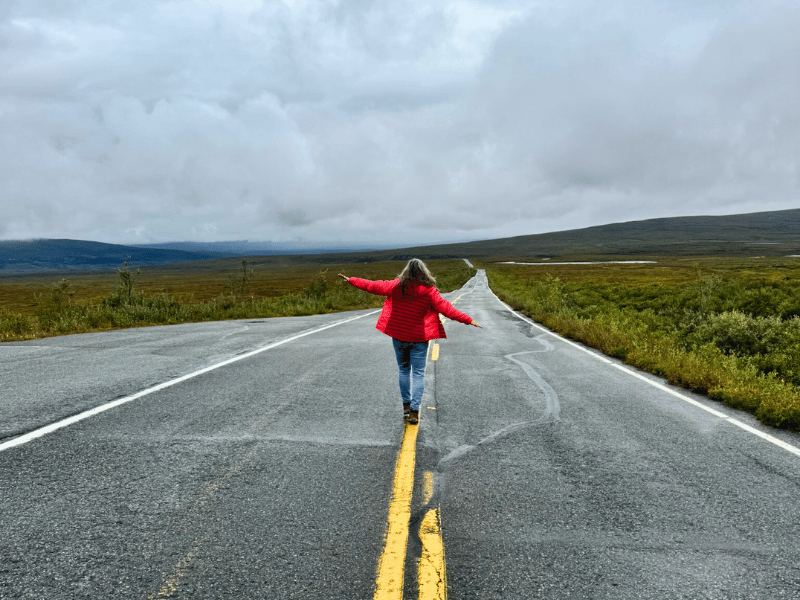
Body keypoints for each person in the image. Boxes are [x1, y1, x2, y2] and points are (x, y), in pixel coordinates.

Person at [338, 258, 481, 425]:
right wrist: (468, 320)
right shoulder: (429, 291)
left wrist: (352, 280)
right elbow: (446, 309)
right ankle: (414, 411)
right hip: (419, 339)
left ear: (406, 271)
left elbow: (373, 286)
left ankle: (406, 407)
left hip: (398, 336)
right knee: (418, 373)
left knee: (403, 371)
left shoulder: (395, 286)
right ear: (424, 272)